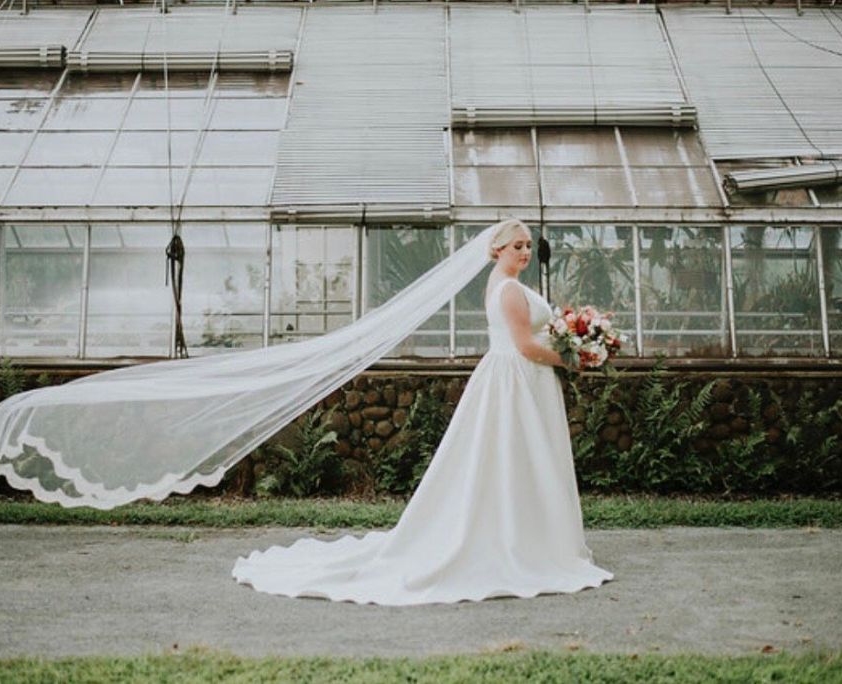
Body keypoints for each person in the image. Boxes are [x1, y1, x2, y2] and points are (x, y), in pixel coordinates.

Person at [232, 219, 615, 605]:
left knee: (512, 459)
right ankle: (522, 540)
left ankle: (523, 534)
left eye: (528, 246)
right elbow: (525, 347)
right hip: (516, 379)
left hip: (514, 379)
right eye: (517, 246)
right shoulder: (510, 290)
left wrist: (572, 341)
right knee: (518, 456)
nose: (525, 252)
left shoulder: (501, 283)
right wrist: (574, 360)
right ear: (498, 249)